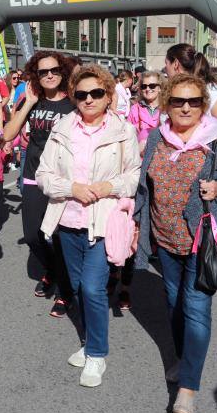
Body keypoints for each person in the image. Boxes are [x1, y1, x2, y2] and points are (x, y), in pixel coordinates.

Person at [133, 73, 217, 413]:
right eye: (178, 101)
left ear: (203, 104)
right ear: (167, 102)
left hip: (204, 241)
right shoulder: (158, 136)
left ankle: (188, 386)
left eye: (194, 101)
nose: (186, 107)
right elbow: (145, 187)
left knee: (196, 309)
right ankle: (185, 358)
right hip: (164, 239)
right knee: (173, 303)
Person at [36, 64, 140, 388]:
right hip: (67, 220)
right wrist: (72, 188)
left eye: (96, 93)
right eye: (81, 95)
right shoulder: (63, 128)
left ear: (108, 95)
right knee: (78, 287)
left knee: (94, 288)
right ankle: (90, 341)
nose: (89, 99)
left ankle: (97, 353)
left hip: (103, 220)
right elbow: (43, 174)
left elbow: (133, 175)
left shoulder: (123, 130)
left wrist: (109, 186)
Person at [3, 51, 75, 318]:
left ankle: (65, 292)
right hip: (33, 175)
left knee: (57, 237)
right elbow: (8, 135)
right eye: (43, 72)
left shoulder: (74, 103)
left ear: (62, 71)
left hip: (61, 179)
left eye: (54, 70)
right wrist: (29, 102)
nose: (49, 75)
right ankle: (53, 271)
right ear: (36, 74)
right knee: (33, 235)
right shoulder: (30, 100)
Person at [164, 43, 217, 131]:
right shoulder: (170, 90)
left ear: (175, 64)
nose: (165, 68)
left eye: (166, 63)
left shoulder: (210, 90)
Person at [127, 70, 163, 153]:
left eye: (152, 86)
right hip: (140, 158)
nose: (147, 89)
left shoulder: (167, 109)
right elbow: (128, 137)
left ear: (160, 88)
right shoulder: (135, 109)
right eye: (144, 86)